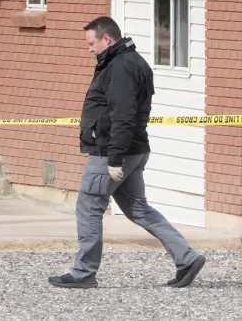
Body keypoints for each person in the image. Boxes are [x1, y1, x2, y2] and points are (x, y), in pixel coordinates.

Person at [49, 16, 206, 289]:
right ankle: (187, 258)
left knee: (89, 206)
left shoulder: (120, 67)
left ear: (106, 39)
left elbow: (123, 115)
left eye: (91, 43)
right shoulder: (131, 61)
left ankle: (83, 273)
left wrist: (114, 158)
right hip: (134, 150)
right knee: (138, 209)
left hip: (113, 151)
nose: (89, 49)